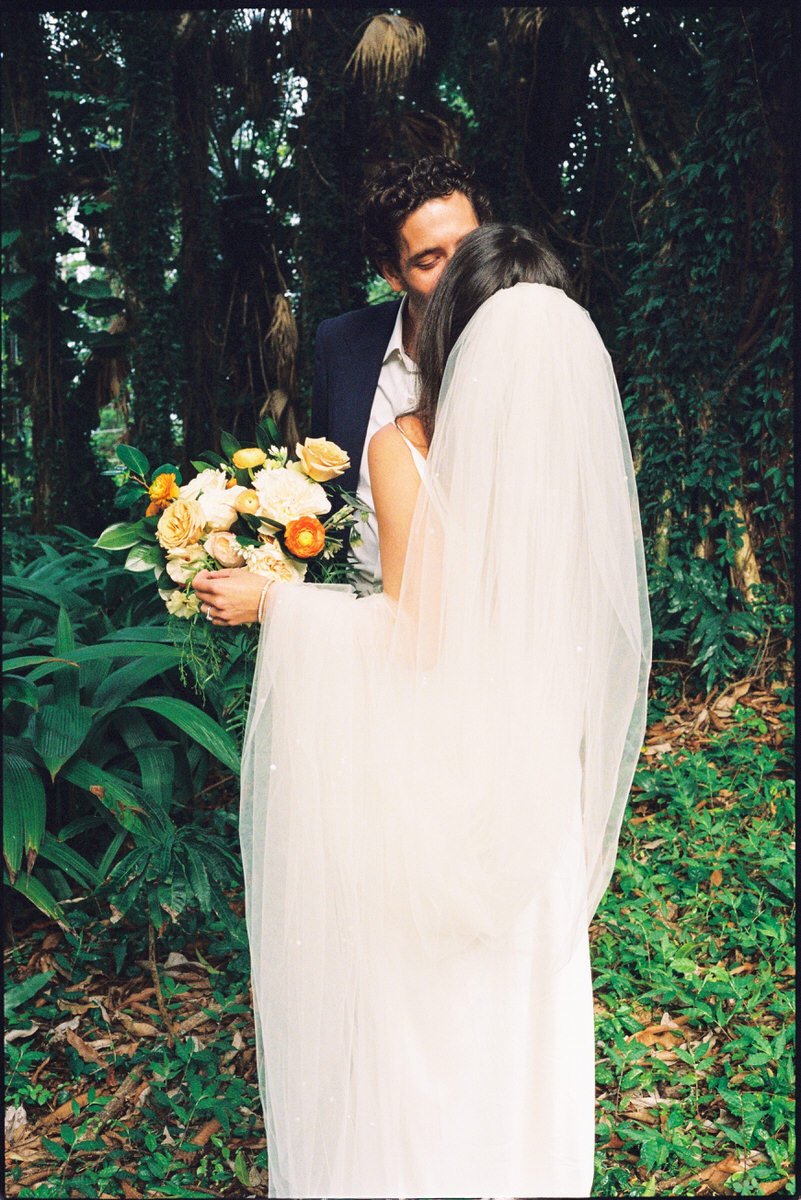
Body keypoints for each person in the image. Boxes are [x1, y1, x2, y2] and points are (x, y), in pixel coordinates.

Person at [236, 224, 652, 1198]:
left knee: (424, 1032)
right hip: (537, 776)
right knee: (516, 1016)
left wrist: (281, 605)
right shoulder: (569, 468)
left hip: (434, 778)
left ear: (446, 327)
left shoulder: (406, 448)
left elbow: (414, 641)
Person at [193, 155, 492, 620]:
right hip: (354, 632)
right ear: (393, 274)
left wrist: (275, 606)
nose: (461, 275)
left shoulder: (522, 357)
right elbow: (328, 498)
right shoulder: (343, 343)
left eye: (471, 248)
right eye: (431, 261)